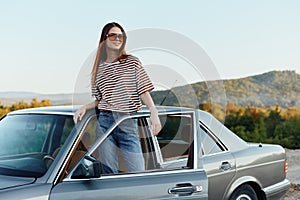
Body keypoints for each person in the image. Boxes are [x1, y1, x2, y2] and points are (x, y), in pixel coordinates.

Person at [73, 22, 161, 174]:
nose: (117, 38)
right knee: (108, 172)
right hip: (105, 122)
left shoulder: (131, 62)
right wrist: (84, 107)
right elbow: (101, 99)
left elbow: (143, 91)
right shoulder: (99, 68)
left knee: (137, 172)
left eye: (121, 36)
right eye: (113, 35)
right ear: (104, 39)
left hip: (127, 121)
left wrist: (153, 111)